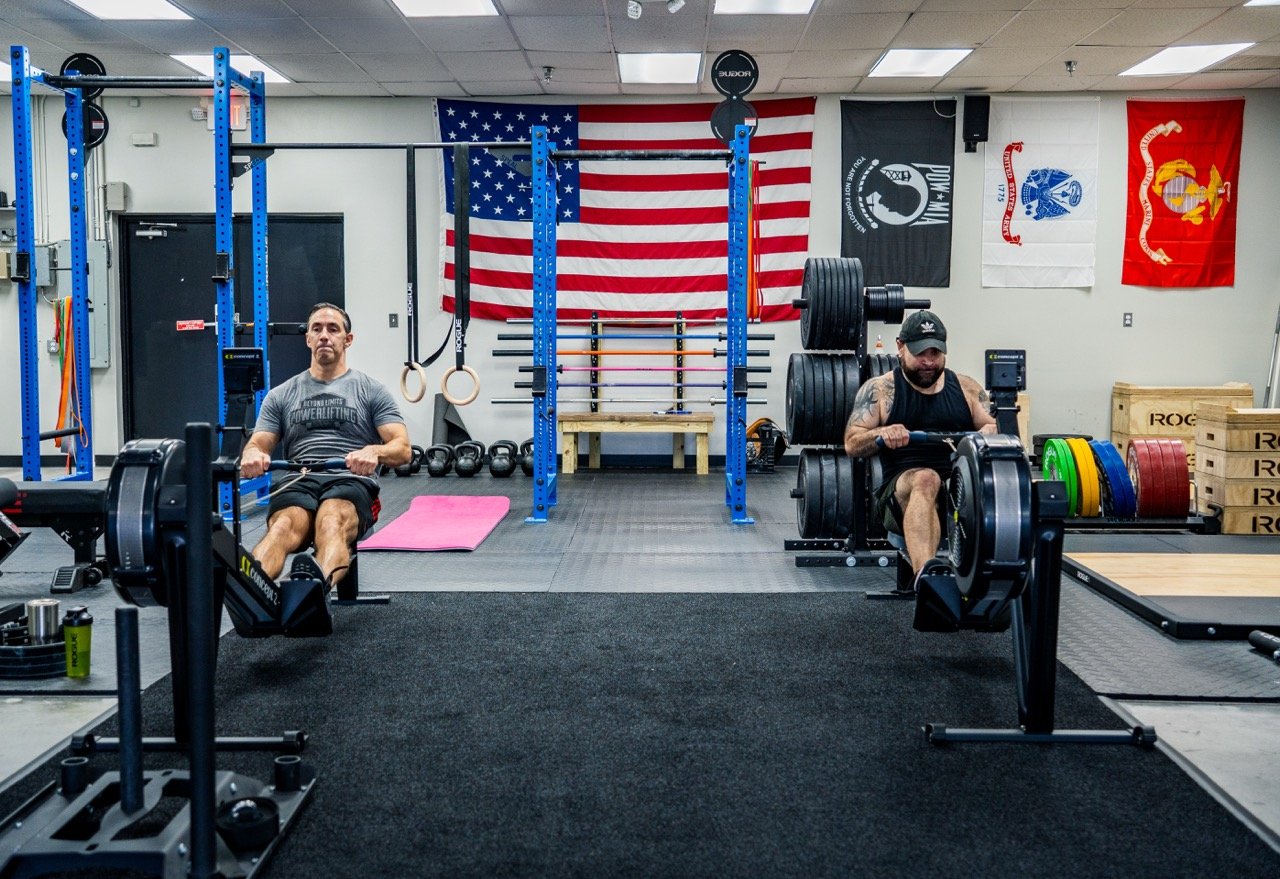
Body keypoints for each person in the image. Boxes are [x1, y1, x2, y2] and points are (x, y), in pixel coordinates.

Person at [240, 302, 411, 590]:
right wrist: (253, 454)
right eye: (316, 329)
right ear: (307, 338)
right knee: (281, 527)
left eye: (333, 329)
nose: (324, 335)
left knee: (331, 520)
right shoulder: (281, 394)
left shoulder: (371, 390)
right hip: (299, 480)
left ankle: (313, 592)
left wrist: (374, 451)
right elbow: (259, 442)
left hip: (349, 481)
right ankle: (253, 593)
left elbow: (403, 448)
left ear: (348, 339)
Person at [843, 310, 997, 582]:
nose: (927, 361)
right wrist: (881, 432)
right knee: (927, 478)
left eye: (935, 354)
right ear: (900, 347)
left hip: (959, 490)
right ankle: (928, 582)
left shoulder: (967, 389)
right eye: (920, 354)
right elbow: (852, 443)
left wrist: (992, 430)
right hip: (900, 495)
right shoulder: (880, 391)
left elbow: (1003, 431)